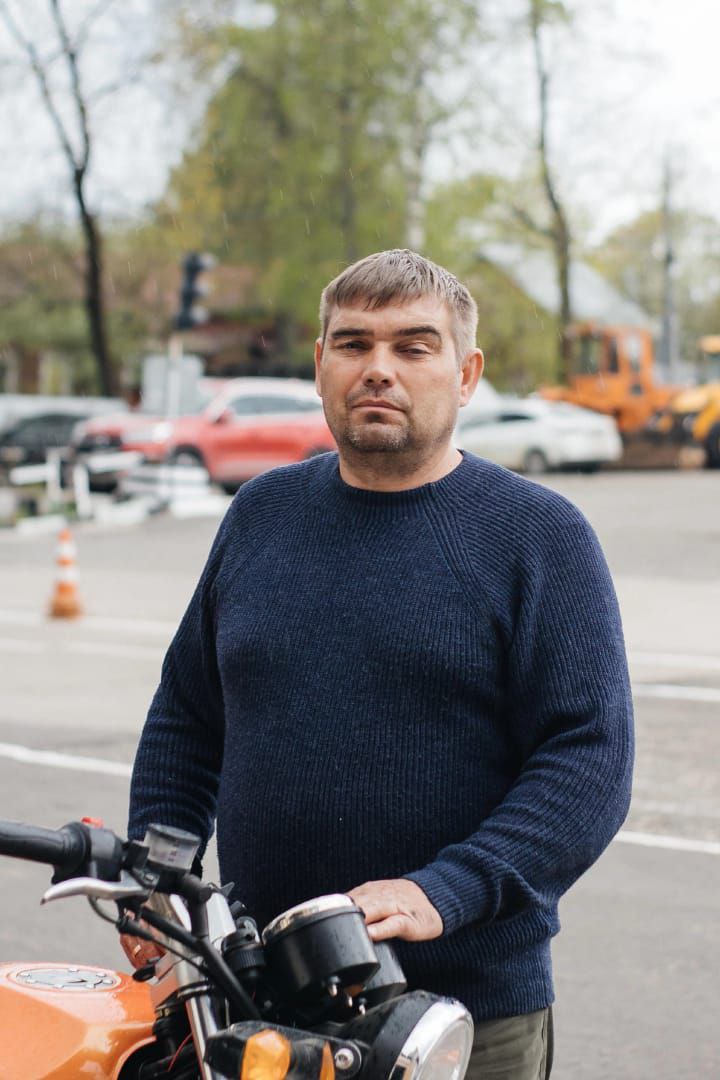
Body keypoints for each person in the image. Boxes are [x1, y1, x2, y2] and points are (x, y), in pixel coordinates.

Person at [128, 249, 634, 1079]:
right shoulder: (260, 514)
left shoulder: (539, 538)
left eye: (413, 346)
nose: (378, 369)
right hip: (256, 1001)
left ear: (466, 375)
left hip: (460, 1021)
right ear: (320, 364)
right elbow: (188, 713)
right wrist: (161, 872)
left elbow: (589, 760)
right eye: (354, 343)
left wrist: (445, 891)